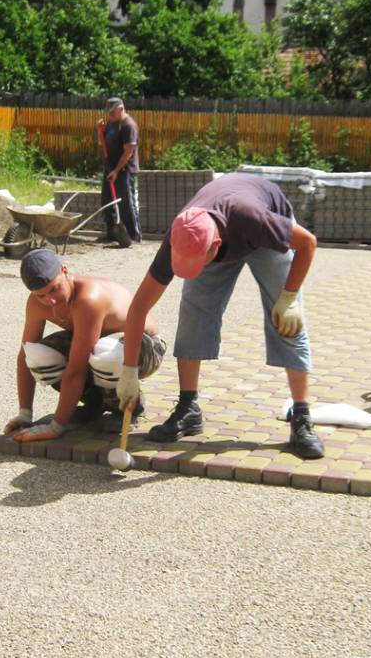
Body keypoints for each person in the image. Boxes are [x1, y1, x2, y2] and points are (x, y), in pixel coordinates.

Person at [115, 172, 325, 460]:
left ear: (214, 247)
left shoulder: (254, 219)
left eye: (196, 263)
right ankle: (189, 408)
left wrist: (289, 297)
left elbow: (308, 243)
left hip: (261, 232)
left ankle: (301, 416)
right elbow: (139, 307)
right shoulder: (181, 235)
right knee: (193, 315)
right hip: (216, 232)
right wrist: (129, 371)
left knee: (287, 323)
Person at [5, 248, 164, 441]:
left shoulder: (89, 299)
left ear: (64, 271)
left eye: (54, 289)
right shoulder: (36, 303)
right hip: (99, 344)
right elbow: (24, 356)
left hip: (145, 347)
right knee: (38, 355)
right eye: (41, 296)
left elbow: (76, 369)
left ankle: (128, 407)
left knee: (105, 354)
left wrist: (56, 427)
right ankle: (94, 404)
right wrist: (25, 413)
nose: (51, 300)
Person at [97, 96, 142, 243]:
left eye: (112, 111)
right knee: (106, 200)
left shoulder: (128, 125)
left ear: (121, 109)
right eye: (108, 111)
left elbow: (128, 152)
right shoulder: (111, 123)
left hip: (124, 170)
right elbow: (103, 140)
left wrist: (116, 170)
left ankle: (133, 236)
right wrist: (100, 130)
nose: (109, 114)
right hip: (110, 167)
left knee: (126, 204)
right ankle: (111, 233)